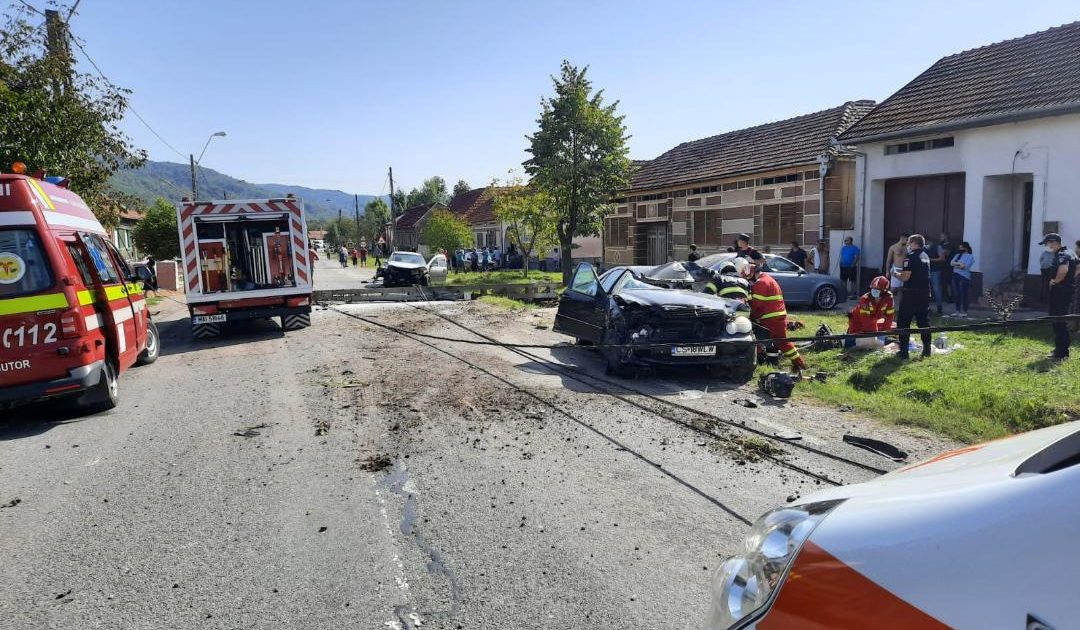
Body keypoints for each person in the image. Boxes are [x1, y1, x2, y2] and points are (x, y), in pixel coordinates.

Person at [735, 257, 806, 374]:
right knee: (768, 340)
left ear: (750, 274)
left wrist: (749, 315)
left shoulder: (761, 283)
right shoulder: (767, 279)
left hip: (772, 319)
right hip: (773, 317)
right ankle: (765, 361)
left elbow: (755, 305)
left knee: (782, 343)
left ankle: (800, 364)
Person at [892, 234, 932, 359]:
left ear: (914, 243)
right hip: (924, 293)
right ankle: (927, 349)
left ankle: (903, 352)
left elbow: (905, 277)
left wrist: (895, 273)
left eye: (909, 242)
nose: (907, 245)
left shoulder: (910, 257)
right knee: (923, 321)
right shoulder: (925, 256)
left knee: (903, 322)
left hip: (911, 294)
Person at [1043, 233, 1077, 361]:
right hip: (1067, 290)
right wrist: (1069, 279)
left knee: (1057, 320)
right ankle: (1062, 349)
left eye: (1048, 243)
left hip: (1060, 291)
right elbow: (1078, 267)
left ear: (1054, 242)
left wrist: (1056, 281)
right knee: (1061, 319)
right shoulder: (1071, 252)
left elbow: (1063, 270)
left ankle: (1061, 351)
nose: (1047, 246)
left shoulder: (1062, 255)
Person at [845, 275, 895, 348]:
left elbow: (889, 317)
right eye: (873, 289)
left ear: (884, 291)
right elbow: (866, 321)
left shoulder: (889, 298)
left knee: (893, 326)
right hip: (857, 321)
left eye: (877, 290)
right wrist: (876, 335)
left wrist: (884, 332)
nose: (874, 291)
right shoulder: (865, 299)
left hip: (873, 321)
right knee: (855, 341)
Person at [947, 241, 975, 318]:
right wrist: (959, 264)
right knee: (956, 294)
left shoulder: (970, 256)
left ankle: (964, 311)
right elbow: (951, 263)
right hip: (955, 275)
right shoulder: (957, 255)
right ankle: (957, 311)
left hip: (964, 277)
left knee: (963, 294)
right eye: (959, 247)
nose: (960, 249)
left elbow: (965, 267)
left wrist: (957, 264)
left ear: (965, 248)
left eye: (961, 247)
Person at [884, 233, 910, 304]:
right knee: (893, 289)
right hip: (896, 269)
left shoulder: (908, 247)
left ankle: (900, 306)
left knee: (901, 289)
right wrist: (887, 271)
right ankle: (885, 304)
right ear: (902, 238)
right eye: (906, 239)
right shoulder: (893, 247)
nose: (907, 241)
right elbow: (888, 260)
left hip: (904, 270)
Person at [926, 236, 949, 314]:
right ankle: (926, 307)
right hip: (925, 271)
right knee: (926, 289)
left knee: (936, 289)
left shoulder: (938, 247)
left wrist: (930, 260)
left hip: (935, 271)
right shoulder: (922, 248)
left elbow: (942, 258)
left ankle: (939, 308)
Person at [937, 232, 954, 304]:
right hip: (939, 266)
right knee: (940, 282)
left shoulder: (950, 245)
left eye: (942, 236)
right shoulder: (939, 245)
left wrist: (940, 251)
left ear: (946, 237)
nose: (940, 237)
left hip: (948, 266)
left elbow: (946, 253)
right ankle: (941, 297)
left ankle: (949, 297)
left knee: (948, 283)